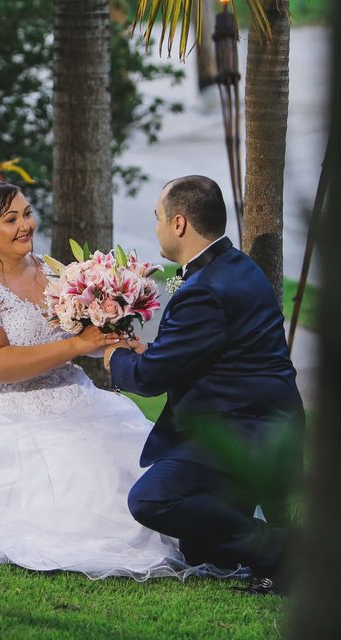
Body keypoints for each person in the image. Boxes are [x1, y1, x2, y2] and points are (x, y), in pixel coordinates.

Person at [0, 179, 251, 582]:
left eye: (27, 213)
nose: (25, 225)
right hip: (12, 412)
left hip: (75, 396)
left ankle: (222, 529)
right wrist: (76, 347)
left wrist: (112, 341)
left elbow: (79, 336)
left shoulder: (50, 270)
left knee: (142, 458)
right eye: (10, 219)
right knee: (89, 479)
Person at [104, 175, 305, 595]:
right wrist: (154, 352)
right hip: (263, 420)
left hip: (242, 431)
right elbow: (198, 352)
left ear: (179, 223)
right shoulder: (236, 266)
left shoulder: (204, 290)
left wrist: (114, 358)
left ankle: (283, 549)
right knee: (201, 553)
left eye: (158, 217)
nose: (156, 226)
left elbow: (150, 380)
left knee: (151, 500)